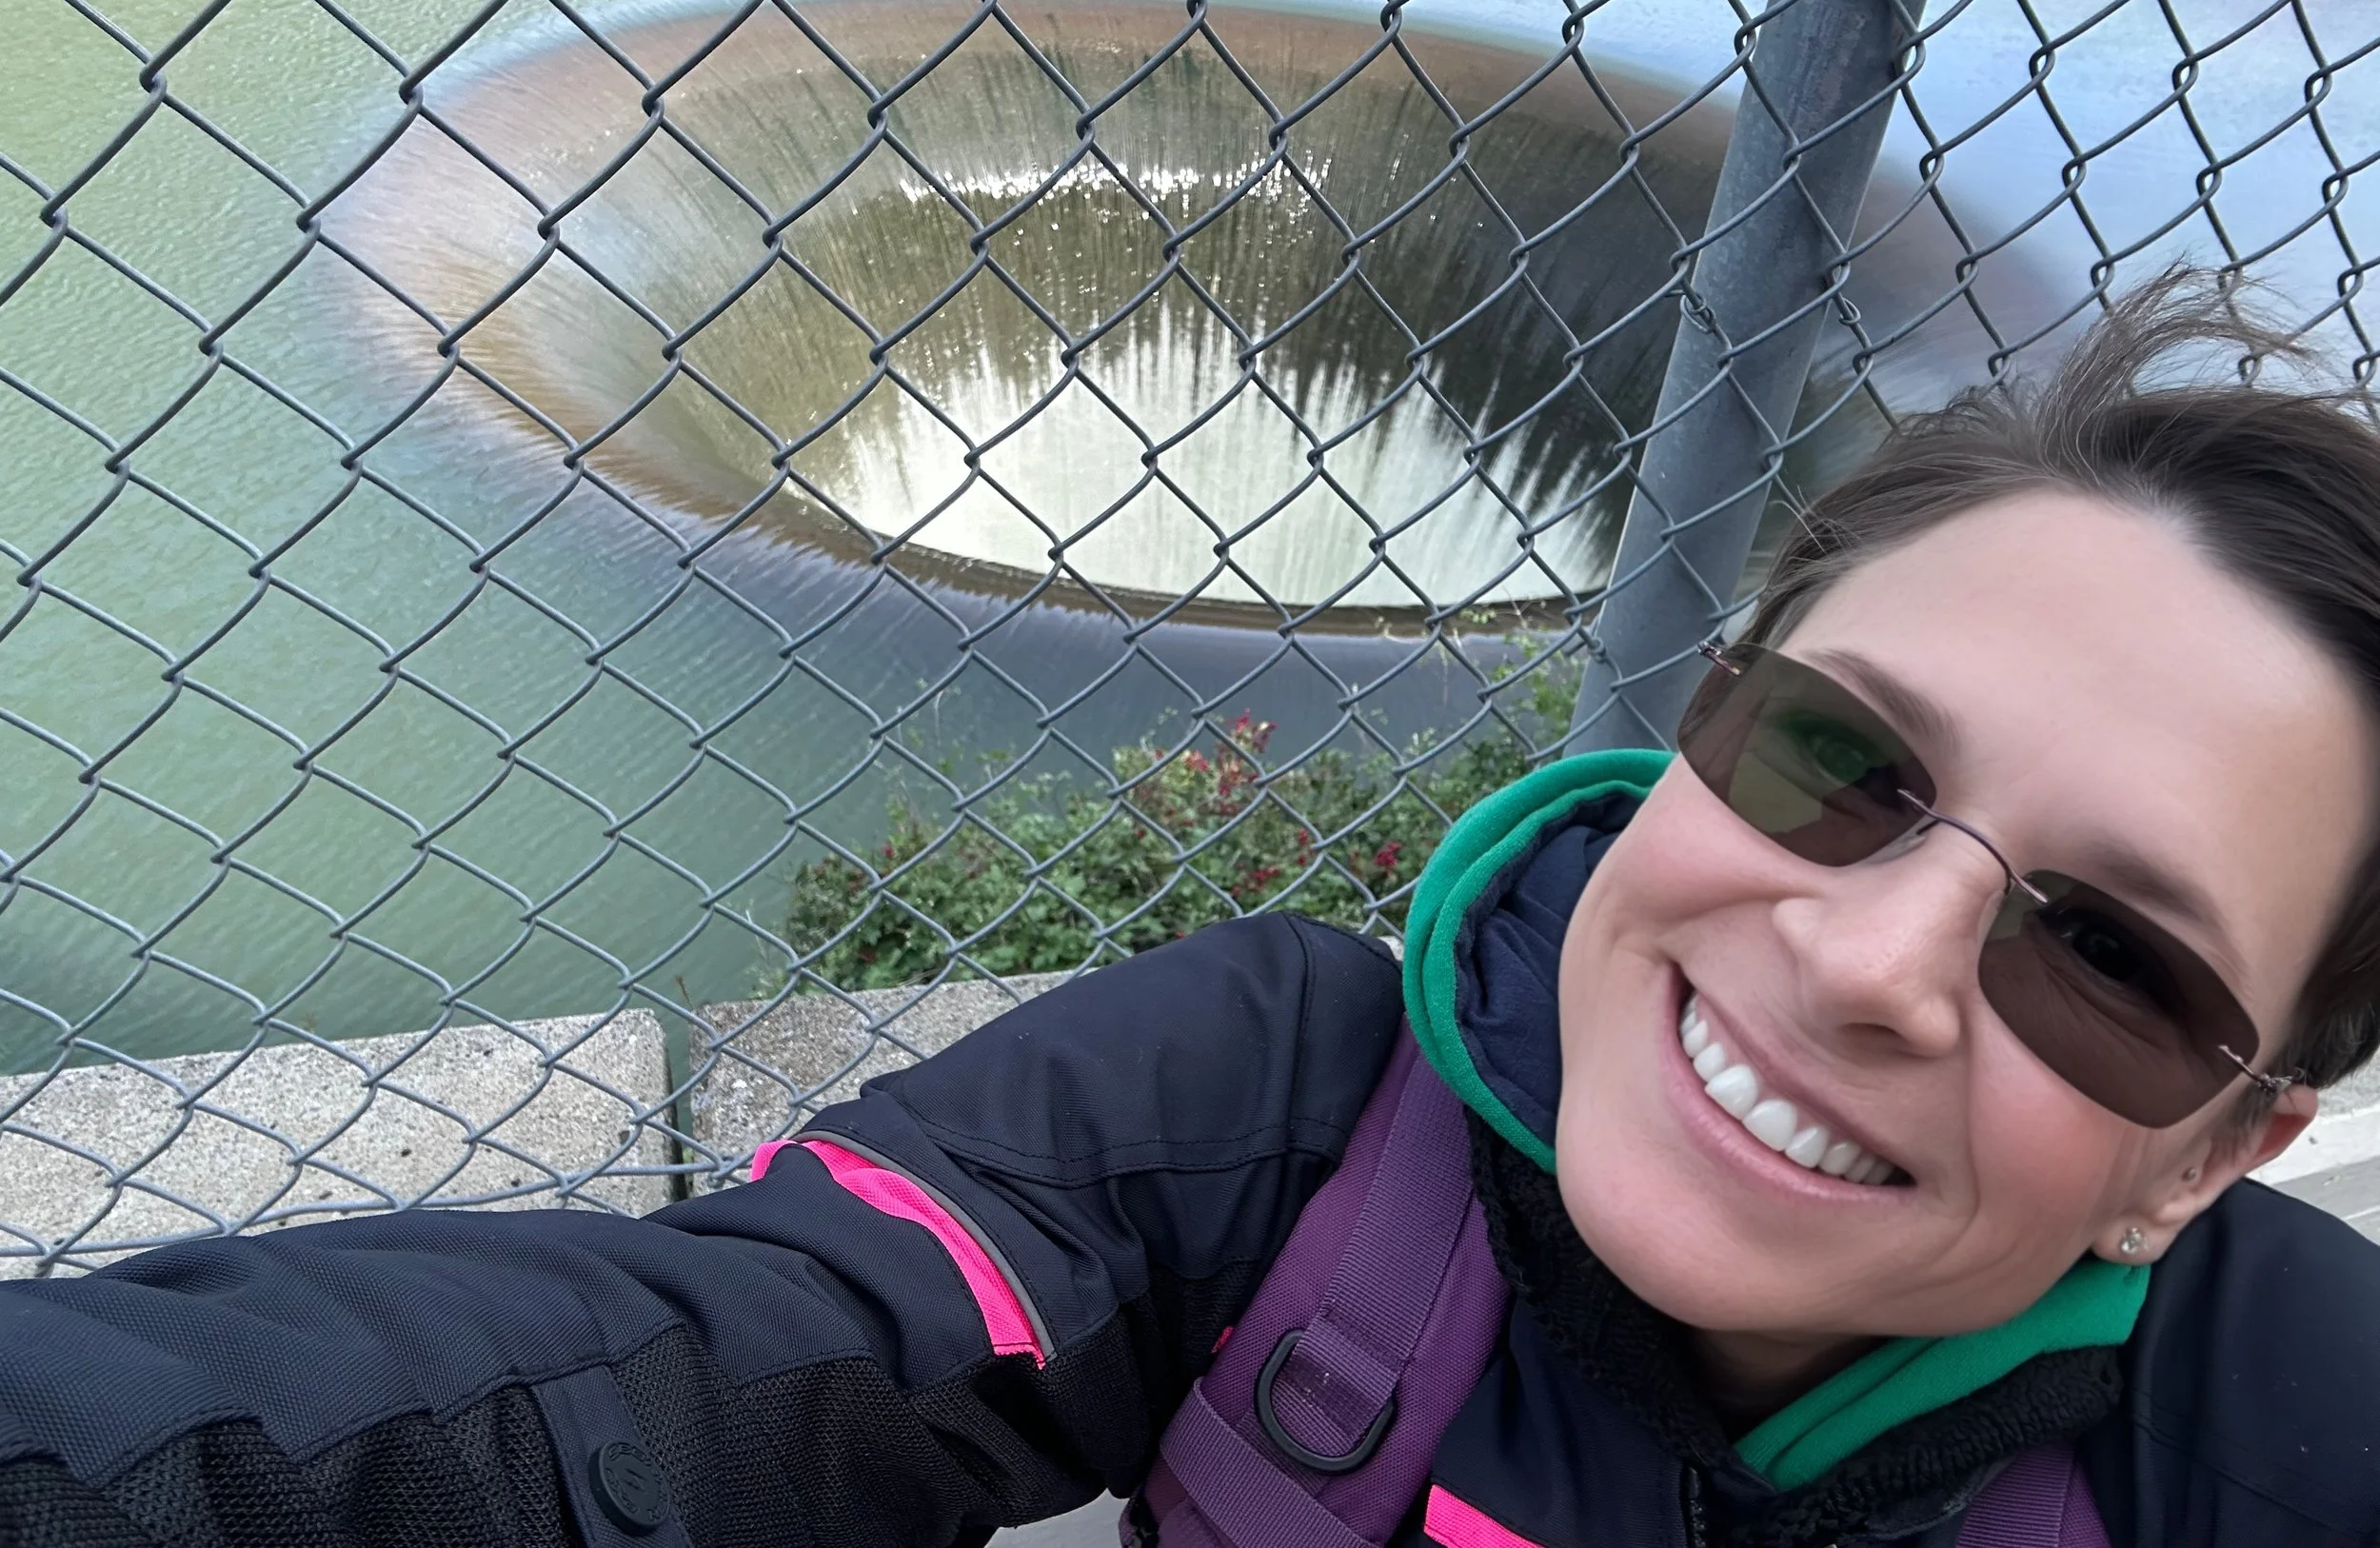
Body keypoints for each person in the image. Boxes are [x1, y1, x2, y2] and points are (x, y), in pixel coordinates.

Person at [3, 270, 2378, 1548]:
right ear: (1695, 724)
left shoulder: (2282, 1434)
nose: (1868, 961)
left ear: (2212, 1143)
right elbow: (654, 1381)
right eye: (1839, 762)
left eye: (2109, 958)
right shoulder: (1264, 1118)